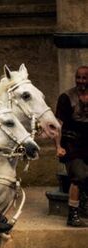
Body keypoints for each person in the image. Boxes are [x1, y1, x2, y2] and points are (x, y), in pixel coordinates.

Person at [56, 66, 88, 227]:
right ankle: (73, 215)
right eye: (79, 78)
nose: (81, 81)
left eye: (84, 78)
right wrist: (58, 147)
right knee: (79, 175)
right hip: (72, 143)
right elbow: (58, 125)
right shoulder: (66, 97)